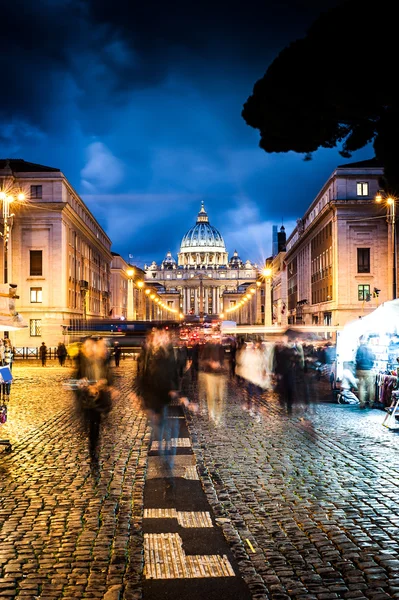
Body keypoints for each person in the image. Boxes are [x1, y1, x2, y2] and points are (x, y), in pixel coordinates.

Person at [135, 328, 180, 472]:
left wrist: (174, 388)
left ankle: (166, 456)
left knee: (162, 422)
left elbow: (173, 371)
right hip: (150, 393)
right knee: (157, 427)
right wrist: (138, 393)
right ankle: (163, 453)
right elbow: (141, 374)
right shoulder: (146, 354)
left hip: (163, 393)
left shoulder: (167, 352)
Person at [74, 337, 114, 465]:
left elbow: (107, 375)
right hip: (87, 402)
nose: (91, 349)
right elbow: (75, 382)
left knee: (95, 427)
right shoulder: (81, 364)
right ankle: (93, 453)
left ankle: (94, 449)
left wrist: (104, 382)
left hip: (97, 401)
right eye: (88, 347)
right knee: (92, 428)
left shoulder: (98, 360)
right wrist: (85, 386)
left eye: (92, 346)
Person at [355, 337, 376, 408]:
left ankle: (362, 403)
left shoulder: (359, 349)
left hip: (360, 370)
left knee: (361, 387)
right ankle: (371, 403)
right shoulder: (370, 349)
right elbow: (373, 358)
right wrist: (370, 365)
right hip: (368, 370)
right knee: (371, 387)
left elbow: (357, 359)